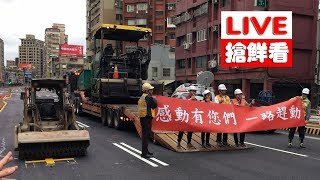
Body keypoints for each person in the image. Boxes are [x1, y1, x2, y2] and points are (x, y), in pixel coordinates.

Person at [138, 83, 158, 158]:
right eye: (151, 90)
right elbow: (154, 105)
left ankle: (146, 151)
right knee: (145, 136)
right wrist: (154, 99)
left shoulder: (143, 96)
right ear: (147, 91)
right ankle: (144, 153)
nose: (152, 91)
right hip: (146, 118)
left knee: (146, 135)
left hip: (144, 117)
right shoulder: (148, 97)